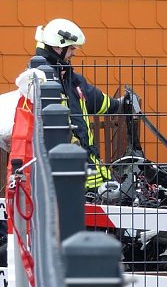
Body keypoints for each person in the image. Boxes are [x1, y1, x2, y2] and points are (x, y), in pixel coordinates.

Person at [33, 18, 126, 190]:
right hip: (64, 168)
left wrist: (120, 105)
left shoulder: (68, 76)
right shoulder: (40, 78)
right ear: (58, 46)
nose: (74, 53)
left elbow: (94, 98)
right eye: (71, 48)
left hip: (85, 166)